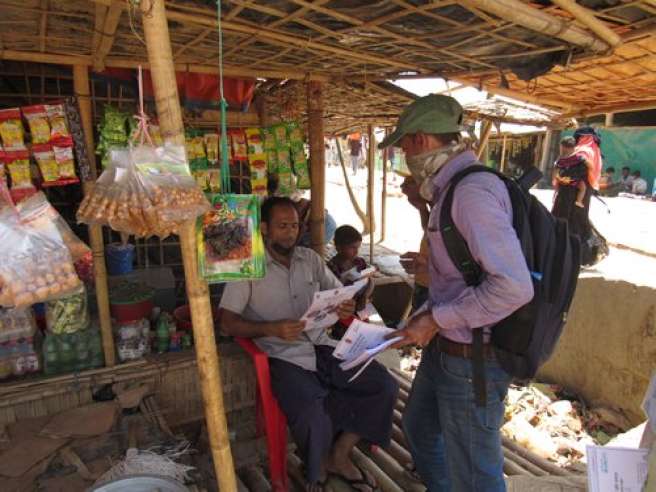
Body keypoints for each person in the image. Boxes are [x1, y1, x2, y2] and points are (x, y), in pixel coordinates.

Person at [379, 94, 533, 491]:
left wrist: (435, 318)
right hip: (447, 350)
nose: (402, 154)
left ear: (423, 141)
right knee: (419, 429)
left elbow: (514, 286)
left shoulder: (470, 193)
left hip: (471, 359)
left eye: (404, 144)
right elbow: (465, 270)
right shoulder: (450, 190)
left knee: (476, 473)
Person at [220, 197, 398, 491]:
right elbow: (227, 322)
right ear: (264, 228)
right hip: (282, 355)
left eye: (294, 225)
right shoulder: (247, 266)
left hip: (321, 343)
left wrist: (345, 306)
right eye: (282, 226)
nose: (290, 232)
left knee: (383, 385)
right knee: (313, 409)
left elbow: (340, 294)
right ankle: (317, 472)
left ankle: (340, 455)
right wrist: (270, 328)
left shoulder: (310, 259)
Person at [397, 173, 430, 311]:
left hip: (435, 285)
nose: (402, 188)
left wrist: (428, 265)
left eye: (408, 185)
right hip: (423, 280)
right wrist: (422, 208)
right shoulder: (433, 204)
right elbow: (429, 229)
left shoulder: (448, 202)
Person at [553, 136, 588, 208]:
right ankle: (579, 201)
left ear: (562, 146)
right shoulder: (577, 157)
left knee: (558, 190)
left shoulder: (561, 158)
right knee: (583, 188)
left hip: (562, 181)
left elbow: (556, 169)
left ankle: (556, 195)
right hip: (574, 181)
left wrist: (556, 180)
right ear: (573, 147)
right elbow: (588, 164)